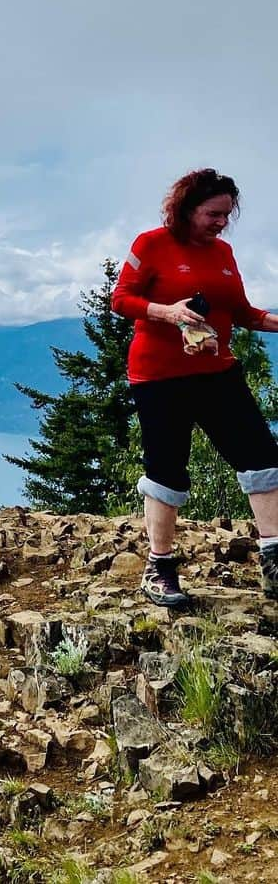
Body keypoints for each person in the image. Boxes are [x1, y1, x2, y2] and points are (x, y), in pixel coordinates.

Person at [111, 168, 278, 607]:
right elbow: (121, 300)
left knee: (262, 457)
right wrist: (168, 312)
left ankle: (274, 561)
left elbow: (243, 312)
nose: (223, 222)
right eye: (214, 214)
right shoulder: (151, 244)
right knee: (166, 470)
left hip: (217, 371)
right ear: (187, 209)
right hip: (160, 377)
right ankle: (159, 568)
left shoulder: (224, 252)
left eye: (227, 214)